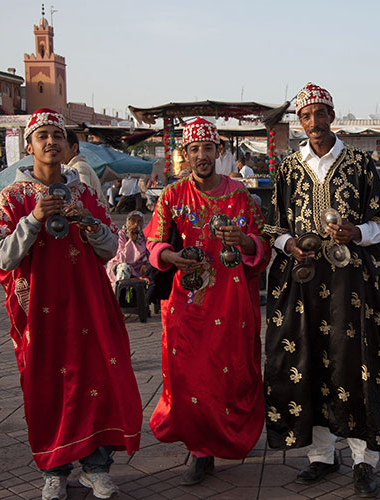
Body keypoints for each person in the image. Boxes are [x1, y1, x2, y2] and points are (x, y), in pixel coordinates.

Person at [0, 108, 142, 500]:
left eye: (57, 135)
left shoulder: (84, 191)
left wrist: (90, 223)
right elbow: (1, 257)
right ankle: (54, 469)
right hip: (40, 312)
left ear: (69, 145)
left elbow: (110, 249)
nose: (51, 142)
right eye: (42, 136)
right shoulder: (13, 196)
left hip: (89, 305)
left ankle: (97, 467)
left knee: (97, 381)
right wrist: (33, 218)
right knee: (47, 386)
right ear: (29, 145)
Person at [264, 83, 380, 498]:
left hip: (352, 283)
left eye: (321, 114)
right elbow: (272, 227)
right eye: (307, 116)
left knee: (354, 361)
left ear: (332, 116)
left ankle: (363, 458)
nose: (315, 123)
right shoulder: (287, 168)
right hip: (302, 283)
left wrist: (356, 231)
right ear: (299, 122)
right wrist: (290, 245)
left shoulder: (359, 163)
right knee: (308, 361)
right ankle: (321, 455)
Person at [144, 117, 270, 486]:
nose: (201, 155)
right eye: (194, 149)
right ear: (184, 154)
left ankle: (230, 437)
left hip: (231, 302)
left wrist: (244, 242)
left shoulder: (241, 196)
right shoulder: (172, 195)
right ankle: (200, 451)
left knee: (231, 371)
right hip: (189, 301)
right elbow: (154, 243)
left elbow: (260, 247)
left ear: (220, 152)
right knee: (192, 377)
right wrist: (171, 258)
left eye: (208, 149)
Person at [106, 210, 149, 287]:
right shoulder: (122, 234)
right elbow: (122, 258)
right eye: (133, 220)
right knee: (124, 268)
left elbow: (151, 253)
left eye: (139, 221)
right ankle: (119, 295)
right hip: (121, 263)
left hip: (140, 266)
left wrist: (148, 264)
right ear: (128, 222)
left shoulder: (146, 234)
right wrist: (131, 240)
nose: (136, 224)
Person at [65, 130, 107, 205]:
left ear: (74, 148)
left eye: (62, 147)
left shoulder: (79, 168)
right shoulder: (71, 168)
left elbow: (83, 197)